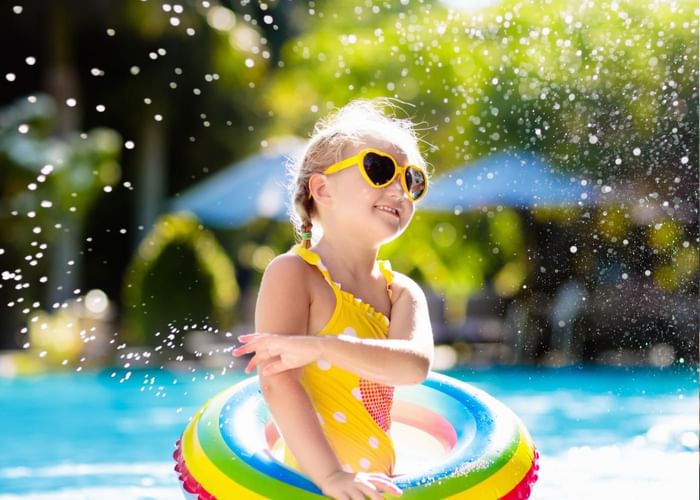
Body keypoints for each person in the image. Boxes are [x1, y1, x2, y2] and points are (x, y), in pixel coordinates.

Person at [233, 98, 434, 500]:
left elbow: (413, 368)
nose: (399, 189)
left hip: (377, 484)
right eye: (379, 169)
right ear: (322, 188)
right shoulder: (294, 275)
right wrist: (332, 477)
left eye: (412, 180)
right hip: (309, 485)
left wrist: (321, 347)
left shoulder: (402, 293)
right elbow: (277, 384)